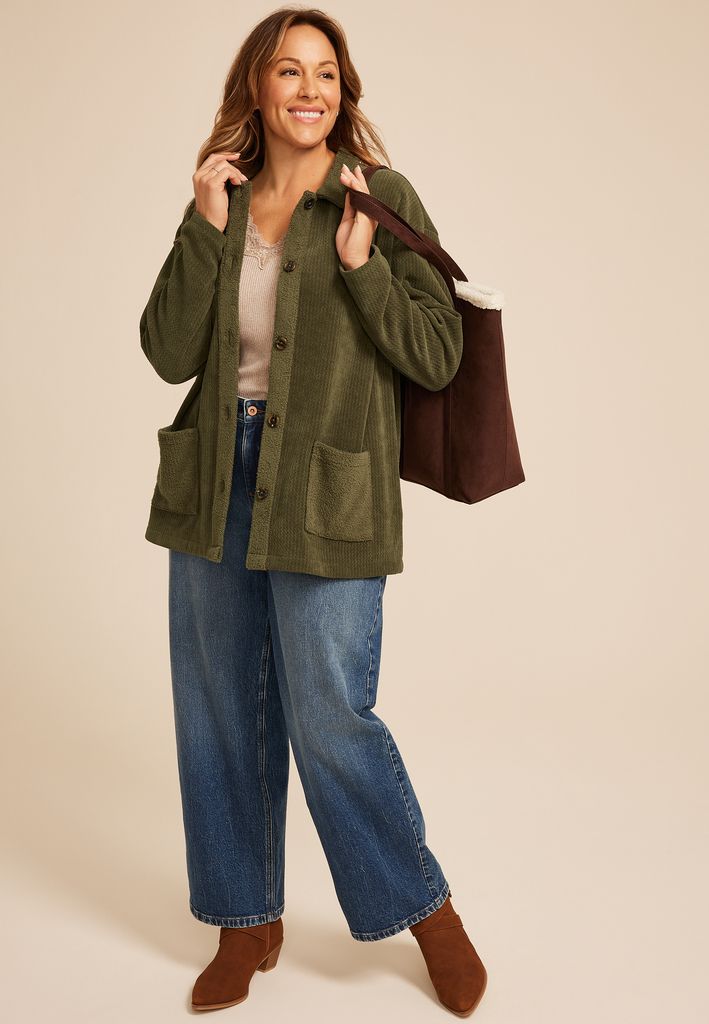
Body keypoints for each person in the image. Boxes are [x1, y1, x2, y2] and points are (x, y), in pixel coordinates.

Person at [139, 6, 487, 1017]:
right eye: (289, 71)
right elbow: (166, 352)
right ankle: (243, 921)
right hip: (216, 475)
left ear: (343, 91)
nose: (308, 90)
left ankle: (427, 912)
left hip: (326, 484)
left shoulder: (377, 194)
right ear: (257, 86)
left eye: (325, 73)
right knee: (218, 704)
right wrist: (202, 225)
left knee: (331, 712)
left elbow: (437, 353)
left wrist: (362, 266)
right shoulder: (224, 197)